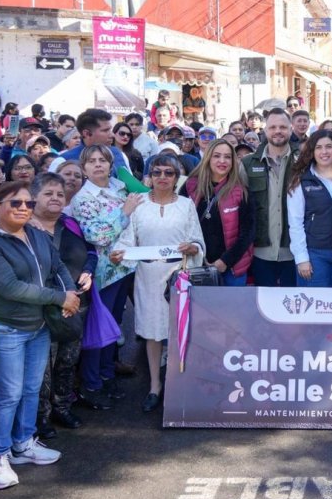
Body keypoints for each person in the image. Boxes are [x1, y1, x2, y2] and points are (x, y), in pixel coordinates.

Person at [0, 181, 80, 489]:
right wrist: (59, 298)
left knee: (31, 390)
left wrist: (70, 293)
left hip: (39, 327)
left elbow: (58, 267)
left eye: (28, 204)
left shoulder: (36, 234)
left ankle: (23, 443)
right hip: (8, 329)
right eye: (15, 203)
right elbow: (10, 287)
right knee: (9, 394)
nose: (23, 208)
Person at [113, 155, 203, 412]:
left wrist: (193, 247)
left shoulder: (186, 205)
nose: (162, 177)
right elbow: (127, 240)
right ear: (149, 177)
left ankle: (179, 383)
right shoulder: (139, 205)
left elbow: (197, 240)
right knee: (152, 332)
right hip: (148, 276)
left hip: (179, 276)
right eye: (157, 172)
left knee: (179, 331)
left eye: (168, 173)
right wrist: (119, 253)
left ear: (176, 178)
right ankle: (155, 385)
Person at [70, 145, 143, 410]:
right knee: (98, 327)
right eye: (92, 161)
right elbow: (97, 235)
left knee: (114, 324)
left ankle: (107, 373)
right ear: (84, 168)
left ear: (111, 164)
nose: (98, 164)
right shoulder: (82, 198)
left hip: (127, 266)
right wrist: (124, 212)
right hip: (104, 271)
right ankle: (92, 382)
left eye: (103, 160)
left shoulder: (120, 187)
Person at [29, 173, 96, 436]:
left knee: (68, 361)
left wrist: (89, 270)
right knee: (43, 367)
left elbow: (91, 251)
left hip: (76, 304)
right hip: (44, 308)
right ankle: (41, 416)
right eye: (48, 193)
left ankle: (62, 407)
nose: (56, 198)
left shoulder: (71, 224)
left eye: (59, 194)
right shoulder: (25, 228)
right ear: (34, 198)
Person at [287, 130, 332, 287]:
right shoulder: (301, 179)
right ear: (312, 151)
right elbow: (295, 222)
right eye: (318, 147)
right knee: (315, 299)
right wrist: (301, 258)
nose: (324, 152)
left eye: (328, 146)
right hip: (314, 253)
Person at [184, 139, 255, 287]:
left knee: (231, 303)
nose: (222, 161)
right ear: (208, 158)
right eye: (216, 156)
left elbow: (248, 232)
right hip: (196, 265)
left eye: (227, 157)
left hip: (232, 268)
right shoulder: (190, 186)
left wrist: (225, 261)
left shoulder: (241, 191)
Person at [241, 109, 298, 287]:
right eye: (273, 127)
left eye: (282, 127)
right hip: (260, 251)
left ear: (291, 129)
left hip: (295, 250)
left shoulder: (303, 161)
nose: (277, 131)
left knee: (294, 301)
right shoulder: (248, 163)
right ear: (265, 130)